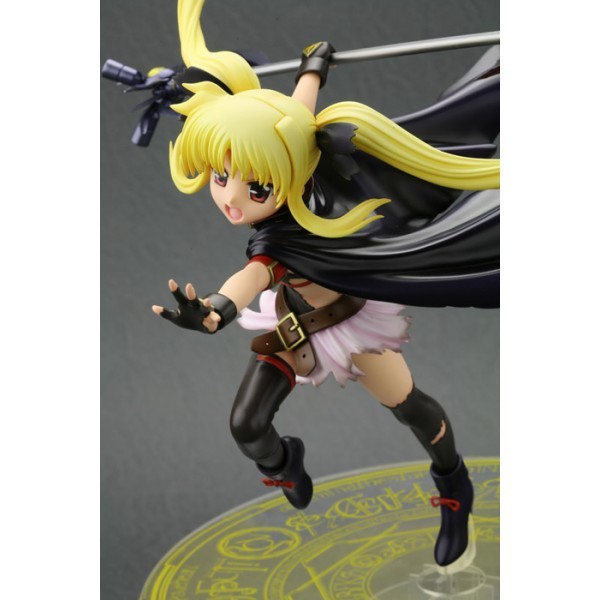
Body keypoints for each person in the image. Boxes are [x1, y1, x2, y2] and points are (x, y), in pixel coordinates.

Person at [153, 0, 500, 574]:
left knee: (411, 409)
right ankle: (286, 463)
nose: (231, 198)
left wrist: (218, 307)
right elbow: (294, 120)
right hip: (291, 326)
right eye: (221, 175)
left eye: (253, 186)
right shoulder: (278, 200)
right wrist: (313, 68)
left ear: (283, 171)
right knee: (247, 426)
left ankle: (453, 484)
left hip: (351, 324)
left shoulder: (291, 212)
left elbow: (253, 268)